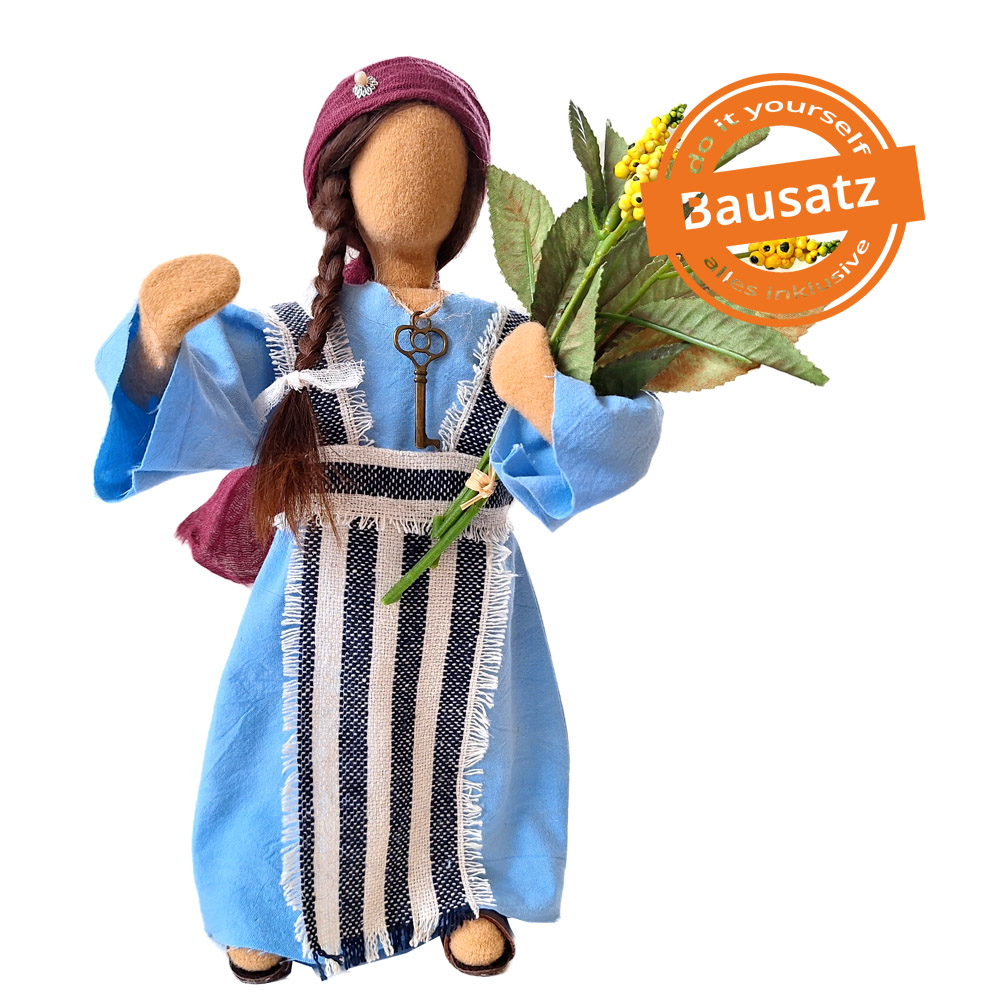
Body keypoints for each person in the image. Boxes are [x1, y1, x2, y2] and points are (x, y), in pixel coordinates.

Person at [93, 56, 663, 983]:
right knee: (283, 732)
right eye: (392, 164)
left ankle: (466, 892)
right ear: (341, 185)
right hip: (319, 586)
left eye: (440, 168)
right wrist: (159, 344)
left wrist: (548, 399)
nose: (413, 186)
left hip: (468, 580)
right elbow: (207, 399)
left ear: (470, 199)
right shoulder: (298, 332)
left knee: (472, 741)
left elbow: (615, 441)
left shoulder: (508, 335)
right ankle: (267, 904)